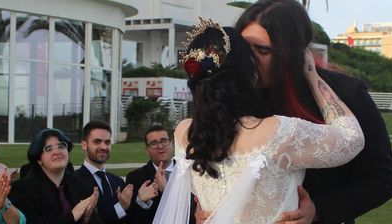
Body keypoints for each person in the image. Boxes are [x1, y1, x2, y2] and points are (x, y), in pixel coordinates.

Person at [154, 19, 365, 223]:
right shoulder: (279, 132)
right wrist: (313, 77)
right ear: (250, 75)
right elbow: (352, 137)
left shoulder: (184, 134)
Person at [236, 0, 392, 223]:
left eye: (262, 51)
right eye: (244, 48)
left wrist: (318, 210)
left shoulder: (347, 94)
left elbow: (382, 178)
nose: (248, 60)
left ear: (291, 53)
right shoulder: (231, 96)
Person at [9, 128, 102, 224]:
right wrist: (73, 215)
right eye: (48, 149)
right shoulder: (22, 189)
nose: (57, 152)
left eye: (61, 146)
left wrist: (87, 219)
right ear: (39, 160)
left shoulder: (79, 184)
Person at [125, 125, 194, 224]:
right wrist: (141, 202)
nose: (160, 146)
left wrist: (167, 190)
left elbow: (194, 212)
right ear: (147, 151)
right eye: (153, 143)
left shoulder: (188, 173)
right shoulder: (135, 178)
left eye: (164, 141)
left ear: (172, 144)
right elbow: (131, 220)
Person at [74, 121, 132, 223]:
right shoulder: (73, 181)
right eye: (97, 142)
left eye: (107, 142)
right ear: (84, 145)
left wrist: (141, 201)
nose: (104, 147)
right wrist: (120, 207)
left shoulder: (118, 182)